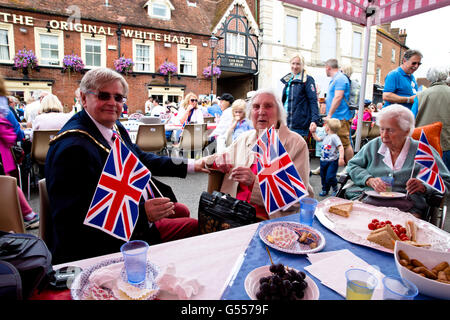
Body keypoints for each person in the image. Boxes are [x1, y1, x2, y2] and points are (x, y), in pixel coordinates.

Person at [45, 68, 208, 264]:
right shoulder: (72, 148)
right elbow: (75, 220)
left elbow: (142, 159)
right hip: (99, 243)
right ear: (83, 98)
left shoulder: (113, 126)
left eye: (119, 98)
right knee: (193, 225)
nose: (113, 103)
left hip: (128, 212)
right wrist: (142, 213)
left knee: (180, 210)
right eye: (104, 96)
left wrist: (194, 164)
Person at [199, 88, 314, 221]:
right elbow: (217, 159)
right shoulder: (246, 138)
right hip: (231, 212)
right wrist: (211, 161)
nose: (261, 112)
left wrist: (254, 182)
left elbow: (295, 200)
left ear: (279, 112)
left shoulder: (295, 143)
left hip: (268, 220)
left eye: (268, 106)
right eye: (256, 107)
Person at [344, 104, 450, 219]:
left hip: (407, 207)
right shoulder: (374, 145)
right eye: (382, 129)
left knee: (403, 229)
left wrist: (424, 187)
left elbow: (445, 181)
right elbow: (352, 166)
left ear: (406, 131)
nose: (384, 135)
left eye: (390, 130)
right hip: (369, 200)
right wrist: (369, 180)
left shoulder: (423, 151)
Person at [414, 65, 450, 171]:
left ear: (429, 78)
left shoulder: (420, 95)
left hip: (425, 145)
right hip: (447, 144)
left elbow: (410, 119)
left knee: (426, 181)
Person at [280, 54, 320, 139]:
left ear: (302, 65)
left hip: (299, 124)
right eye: (293, 63)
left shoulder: (308, 79)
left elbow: (313, 101)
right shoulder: (288, 79)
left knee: (296, 151)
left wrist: (314, 120)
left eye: (298, 64)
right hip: (286, 122)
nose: (295, 66)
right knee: (284, 150)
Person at [324, 58, 354, 164]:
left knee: (345, 144)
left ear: (328, 68)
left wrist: (329, 114)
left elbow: (338, 97)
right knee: (333, 143)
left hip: (340, 117)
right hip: (336, 117)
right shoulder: (336, 79)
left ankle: (350, 169)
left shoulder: (340, 78)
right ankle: (327, 163)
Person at [310, 118, 345, 196]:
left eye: (325, 125)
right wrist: (313, 133)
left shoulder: (334, 137)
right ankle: (325, 189)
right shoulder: (325, 135)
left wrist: (341, 158)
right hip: (323, 161)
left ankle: (335, 188)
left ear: (327, 128)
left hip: (332, 161)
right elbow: (318, 139)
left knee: (330, 176)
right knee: (323, 176)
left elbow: (340, 147)